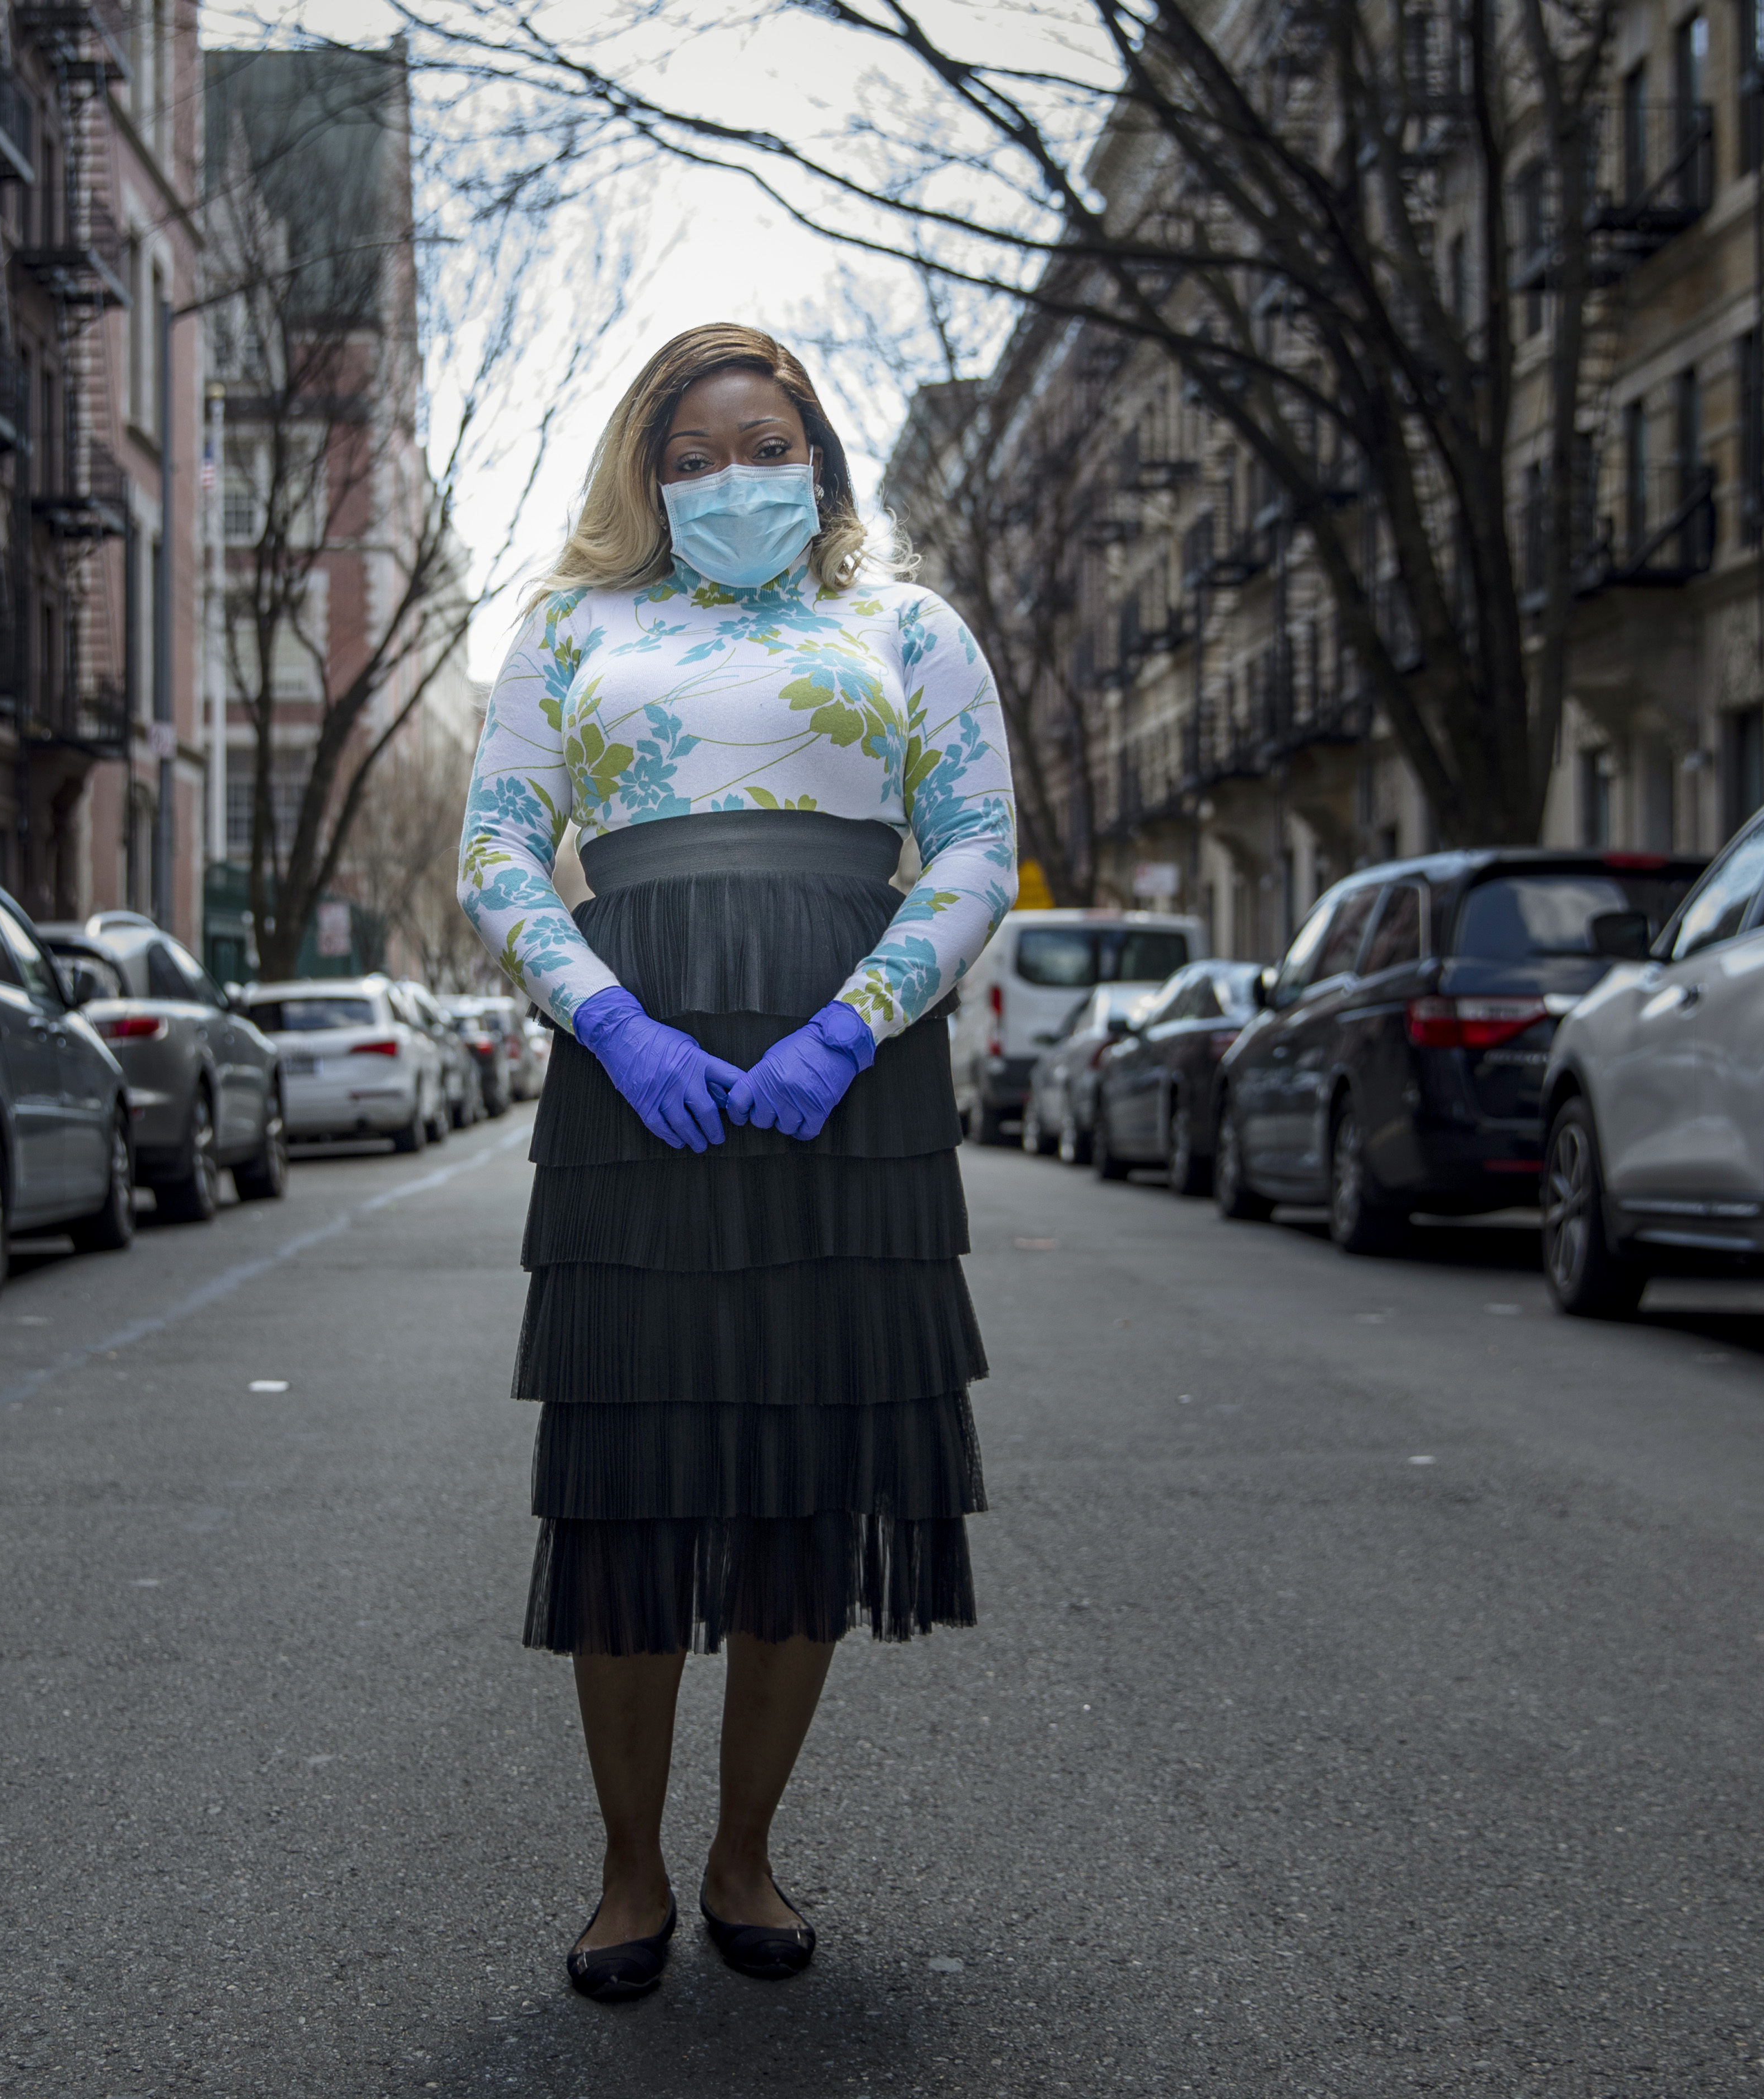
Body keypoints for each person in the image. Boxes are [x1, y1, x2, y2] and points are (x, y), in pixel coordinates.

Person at [457, 321, 1018, 2001]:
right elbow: (496, 842)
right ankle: (628, 1870)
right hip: (637, 1099)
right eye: (690, 457)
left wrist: (856, 1021)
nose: (728, 480)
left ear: (820, 459)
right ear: (646, 477)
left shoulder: (909, 629)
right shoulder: (569, 626)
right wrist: (610, 1024)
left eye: (761, 444)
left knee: (804, 1479)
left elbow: (979, 843)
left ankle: (742, 1850)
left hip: (852, 1100)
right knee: (628, 1487)